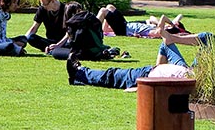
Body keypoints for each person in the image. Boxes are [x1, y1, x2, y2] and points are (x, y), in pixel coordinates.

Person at [66, 32, 194, 91]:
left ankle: (80, 73)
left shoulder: (190, 84)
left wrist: (145, 87)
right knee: (165, 44)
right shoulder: (194, 71)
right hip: (157, 71)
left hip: (148, 77)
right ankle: (157, 74)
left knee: (113, 75)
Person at [47, 2, 127, 61]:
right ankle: (104, 53)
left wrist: (57, 46)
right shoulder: (91, 18)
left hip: (83, 54)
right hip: (98, 49)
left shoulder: (73, 23)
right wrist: (58, 44)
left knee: (56, 52)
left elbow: (72, 41)